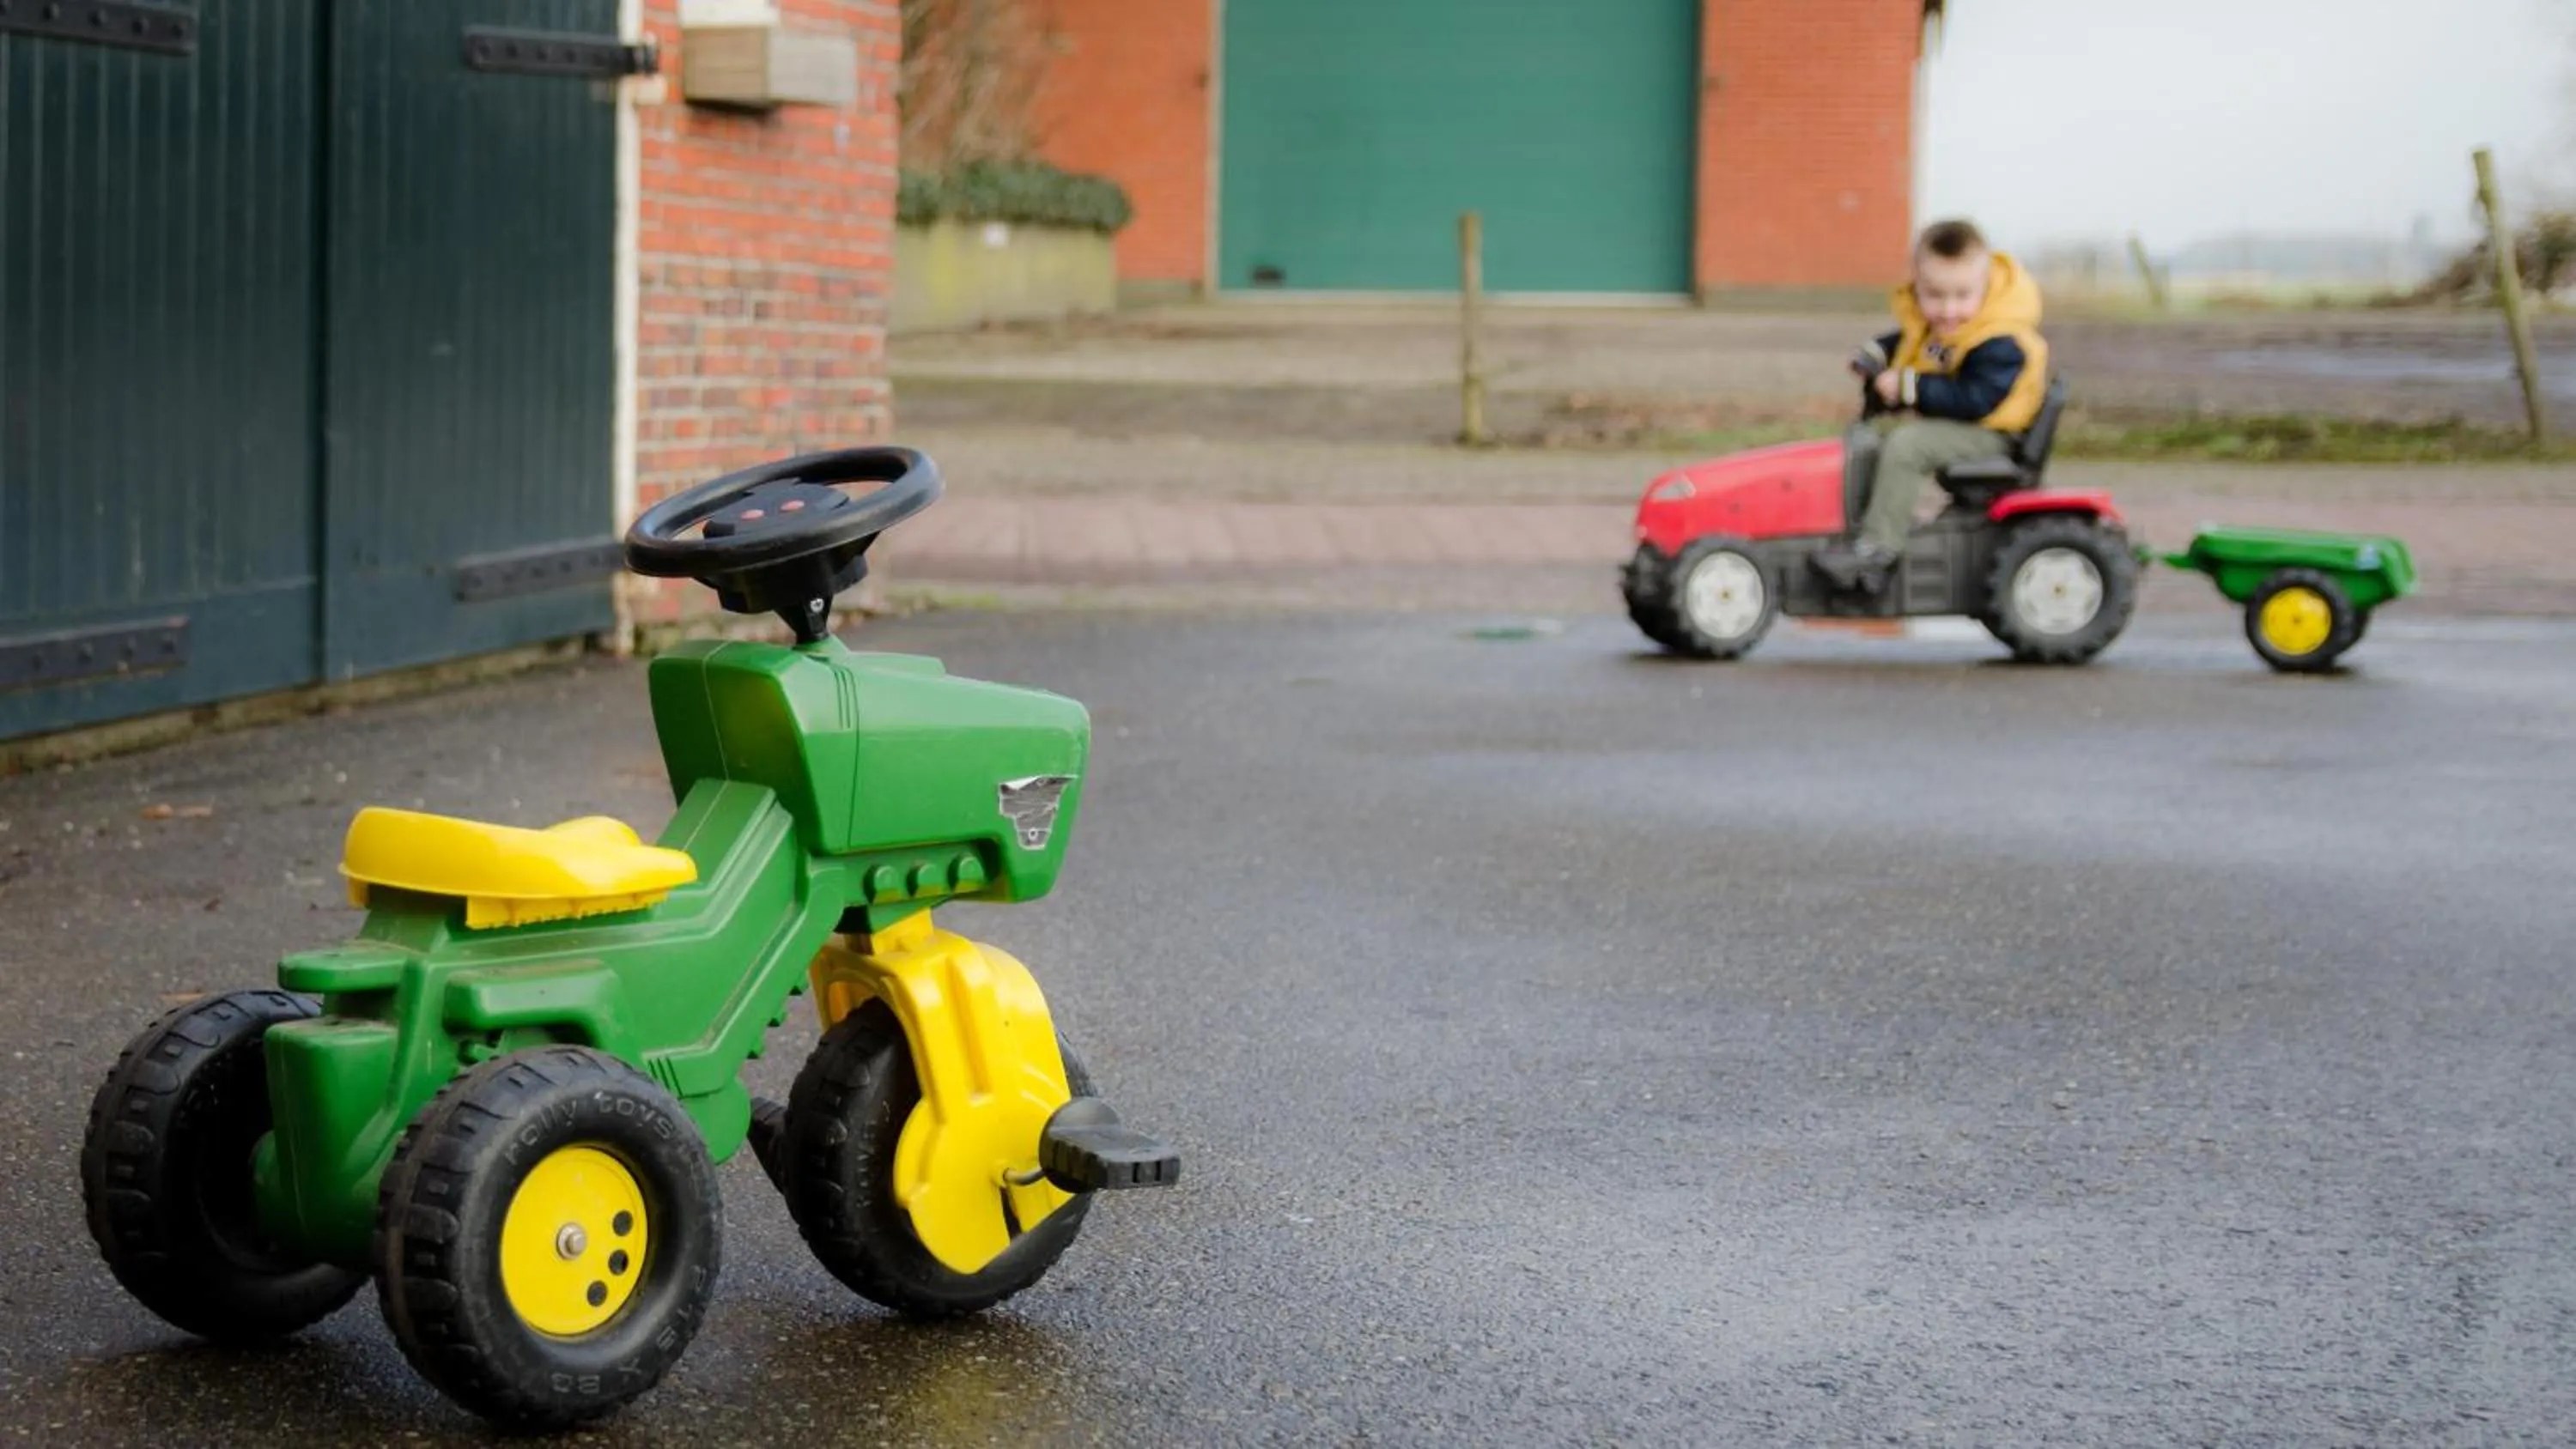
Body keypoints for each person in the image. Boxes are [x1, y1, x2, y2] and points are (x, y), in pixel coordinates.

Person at [1812, 220, 2050, 592]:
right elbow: (1909, 343)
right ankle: (1860, 524)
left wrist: (1911, 387)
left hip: (1995, 434)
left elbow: (1975, 400)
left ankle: (1879, 550)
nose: (1948, 310)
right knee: (1869, 435)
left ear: (1985, 287)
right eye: (1935, 296)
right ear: (1917, 286)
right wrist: (1873, 356)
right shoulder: (1945, 326)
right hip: (1969, 426)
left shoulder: (2002, 339)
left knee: (1908, 445)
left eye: (1961, 295)